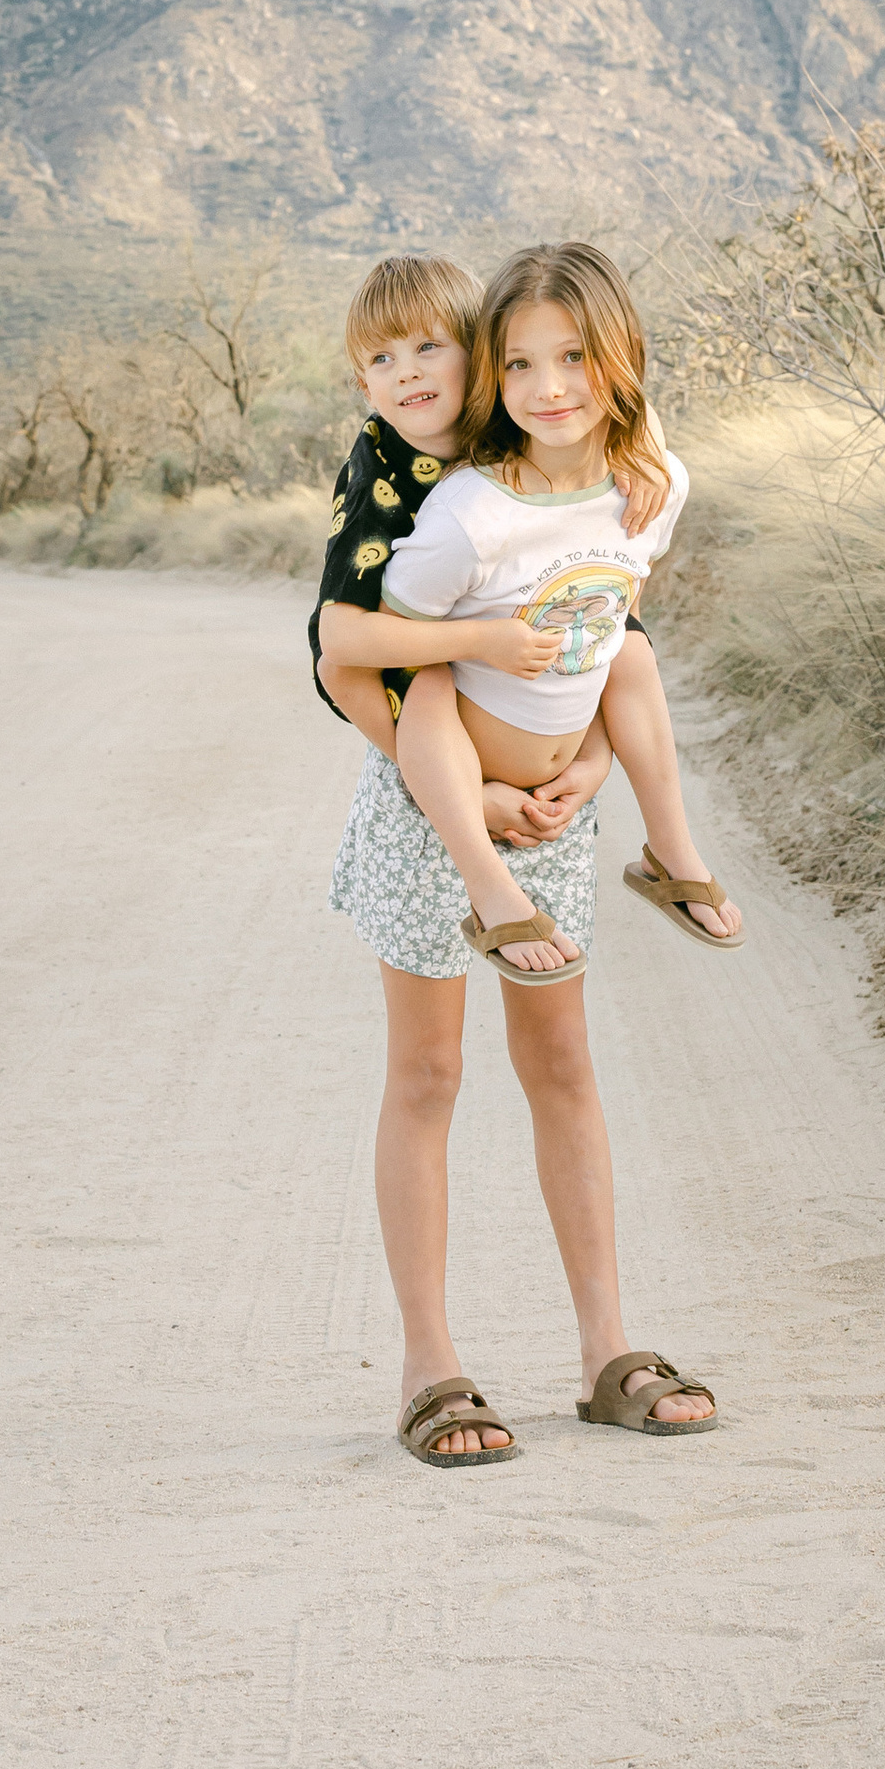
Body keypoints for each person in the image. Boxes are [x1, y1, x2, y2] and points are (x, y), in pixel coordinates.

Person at [319, 244, 725, 1466]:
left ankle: (606, 1351)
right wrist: (470, 793)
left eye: (570, 361)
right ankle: (429, 1365)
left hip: (545, 807)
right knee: (427, 1076)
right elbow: (340, 648)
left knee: (563, 1067)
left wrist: (587, 771)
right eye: (523, 362)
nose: (545, 385)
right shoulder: (405, 487)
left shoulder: (609, 480)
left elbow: (606, 631)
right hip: (428, 803)